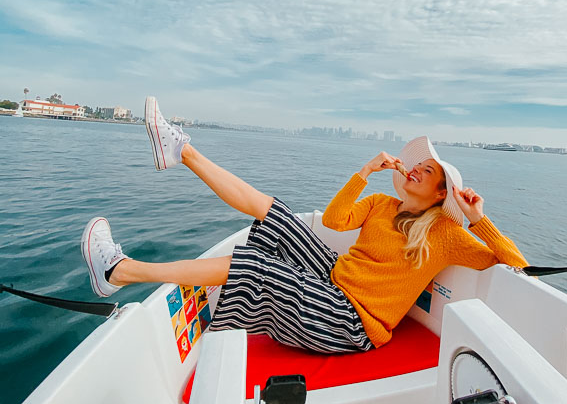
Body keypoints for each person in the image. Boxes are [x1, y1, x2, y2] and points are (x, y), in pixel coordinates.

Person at [81, 97, 527, 353]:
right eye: (417, 165)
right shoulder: (381, 203)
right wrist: (365, 171)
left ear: (438, 195)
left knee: (255, 266)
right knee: (277, 215)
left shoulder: (446, 236)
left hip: (352, 323)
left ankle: (120, 271)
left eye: (428, 172)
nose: (415, 170)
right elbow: (334, 220)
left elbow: (516, 265)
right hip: (333, 280)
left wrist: (477, 219)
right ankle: (183, 152)